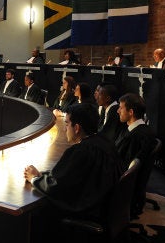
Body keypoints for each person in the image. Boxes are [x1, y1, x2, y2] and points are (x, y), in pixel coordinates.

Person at [24, 103, 123, 240]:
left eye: (67, 124)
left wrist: (34, 179)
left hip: (88, 211)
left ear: (76, 128)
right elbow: (69, 177)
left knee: (37, 212)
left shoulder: (81, 151)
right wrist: (42, 175)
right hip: (104, 208)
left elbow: (57, 187)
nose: (65, 129)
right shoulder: (105, 142)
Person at [115, 93, 157, 216]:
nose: (118, 111)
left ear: (131, 112)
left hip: (124, 190)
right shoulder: (136, 129)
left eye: (121, 108)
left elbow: (123, 164)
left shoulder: (137, 136)